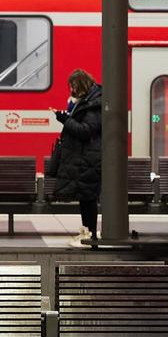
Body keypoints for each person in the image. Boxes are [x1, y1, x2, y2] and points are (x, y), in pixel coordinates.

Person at [47, 69, 102, 248]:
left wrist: (65, 119)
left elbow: (86, 131)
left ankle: (91, 235)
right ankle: (86, 233)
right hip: (84, 158)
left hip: (89, 159)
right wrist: (68, 114)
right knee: (84, 197)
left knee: (88, 198)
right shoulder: (88, 102)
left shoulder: (94, 105)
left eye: (73, 86)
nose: (72, 90)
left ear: (81, 84)